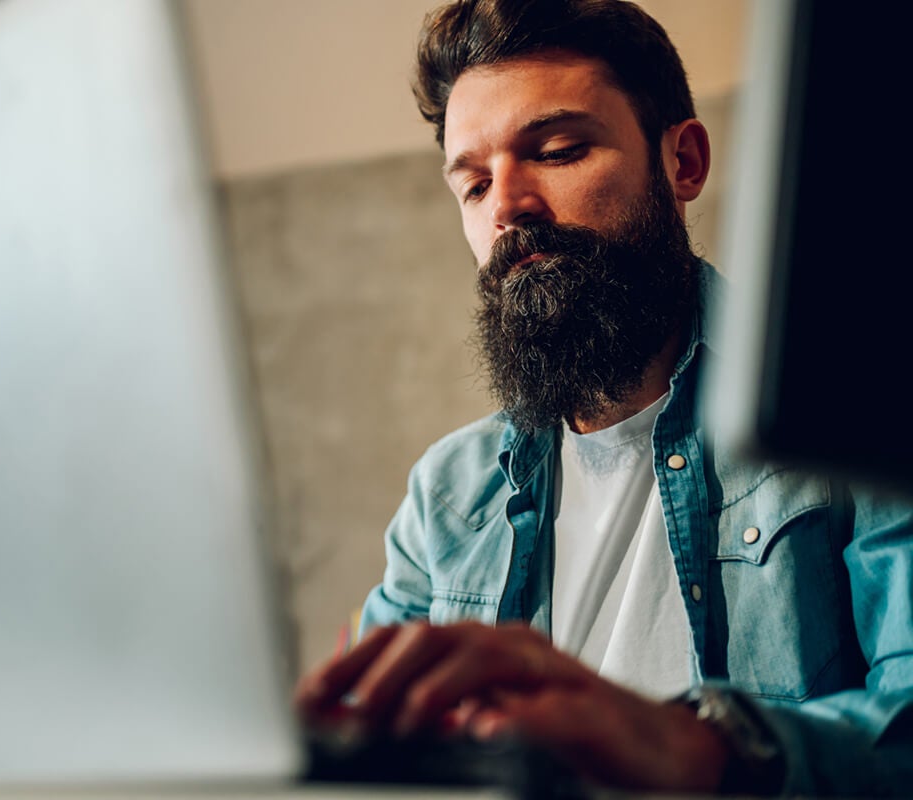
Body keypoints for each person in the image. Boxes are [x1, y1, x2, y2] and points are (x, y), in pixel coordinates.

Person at [294, 0, 913, 795]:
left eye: (556, 150)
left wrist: (695, 747)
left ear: (682, 162)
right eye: (475, 185)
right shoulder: (444, 498)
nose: (507, 207)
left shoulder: (855, 415)